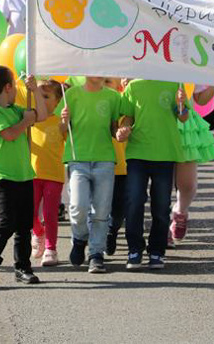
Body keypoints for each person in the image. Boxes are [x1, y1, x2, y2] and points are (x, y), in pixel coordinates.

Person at [0, 66, 47, 286]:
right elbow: (8, 134)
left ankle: (23, 267)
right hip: (2, 176)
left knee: (24, 225)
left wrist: (35, 91)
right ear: (8, 87)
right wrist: (26, 122)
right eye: (14, 84)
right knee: (7, 222)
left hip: (24, 174)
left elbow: (43, 114)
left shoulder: (18, 109)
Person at [168, 0, 214, 245]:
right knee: (160, 182)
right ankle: (161, 227)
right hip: (157, 116)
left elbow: (200, 97)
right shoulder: (156, 23)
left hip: (185, 119)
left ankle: (180, 211)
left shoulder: (198, 30)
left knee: (187, 184)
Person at [117, 80, 189, 270]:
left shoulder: (174, 84)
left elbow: (183, 117)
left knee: (161, 206)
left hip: (165, 153)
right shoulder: (133, 86)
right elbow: (127, 116)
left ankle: (156, 251)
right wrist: (124, 129)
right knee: (133, 200)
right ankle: (134, 249)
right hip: (138, 152)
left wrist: (181, 105)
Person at [61, 76, 121, 272]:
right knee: (78, 207)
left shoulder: (113, 97)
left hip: (104, 159)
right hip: (78, 158)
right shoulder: (71, 94)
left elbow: (114, 129)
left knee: (102, 211)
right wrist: (64, 121)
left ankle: (96, 253)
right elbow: (62, 130)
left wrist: (120, 132)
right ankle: (79, 239)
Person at [29, 80, 67, 267]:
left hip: (54, 174)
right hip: (32, 174)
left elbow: (69, 138)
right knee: (29, 211)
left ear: (58, 101)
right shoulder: (31, 118)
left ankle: (51, 248)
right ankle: (38, 232)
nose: (41, 100)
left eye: (46, 97)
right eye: (39, 96)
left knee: (50, 213)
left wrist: (67, 122)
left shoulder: (60, 122)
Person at [105, 77, 128, 256]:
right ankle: (99, 235)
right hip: (98, 163)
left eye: (108, 82)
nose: (105, 87)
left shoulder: (124, 105)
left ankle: (112, 230)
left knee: (119, 208)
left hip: (122, 167)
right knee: (96, 206)